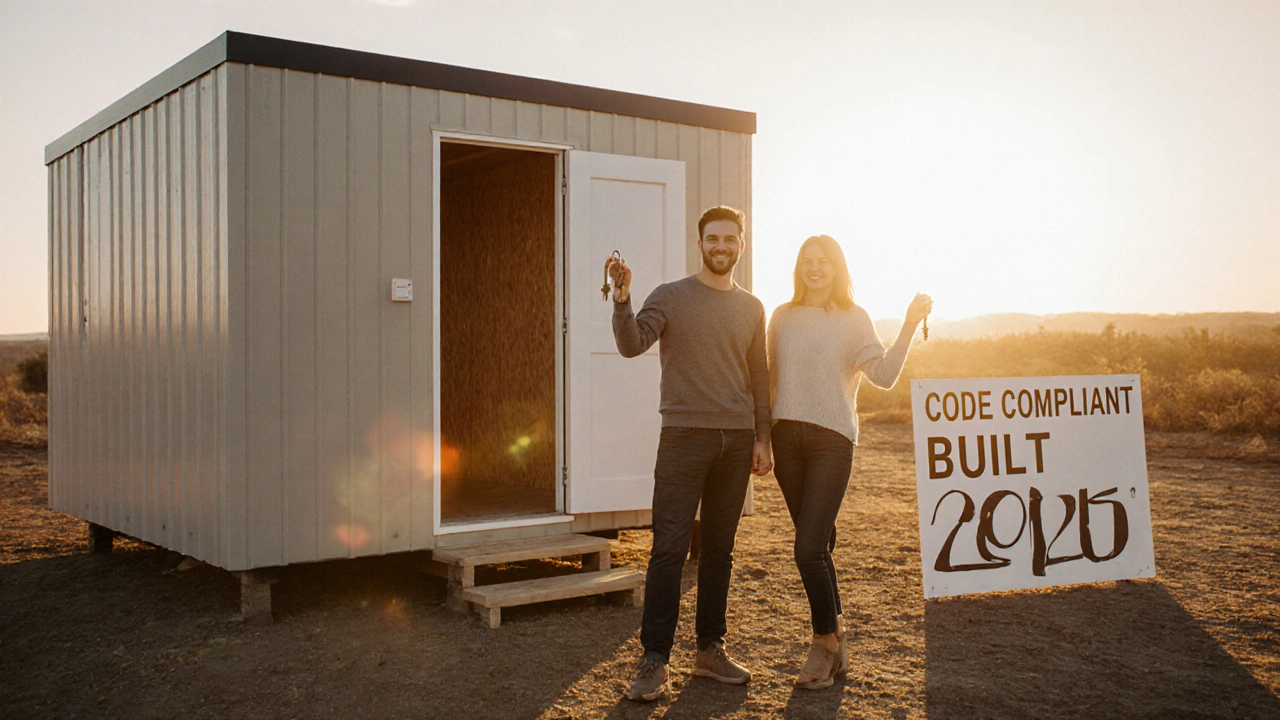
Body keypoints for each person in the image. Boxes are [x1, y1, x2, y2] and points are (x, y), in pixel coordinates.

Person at [608, 205, 773, 702]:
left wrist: (762, 435)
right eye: (712, 239)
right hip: (683, 438)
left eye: (730, 239)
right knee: (669, 549)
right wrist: (622, 298)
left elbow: (760, 375)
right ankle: (654, 658)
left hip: (737, 440)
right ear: (699, 244)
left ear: (741, 245)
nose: (721, 246)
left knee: (719, 551)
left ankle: (709, 650)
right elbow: (631, 344)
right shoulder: (670, 297)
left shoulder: (752, 307)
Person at [767, 234, 930, 689]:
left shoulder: (854, 319)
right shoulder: (781, 318)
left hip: (832, 441)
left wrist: (908, 327)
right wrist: (762, 437)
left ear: (837, 268)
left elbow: (883, 375)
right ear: (798, 267)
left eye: (823, 261)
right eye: (806, 261)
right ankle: (837, 635)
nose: (814, 268)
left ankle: (824, 643)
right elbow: (770, 380)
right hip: (786, 440)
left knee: (807, 549)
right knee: (819, 545)